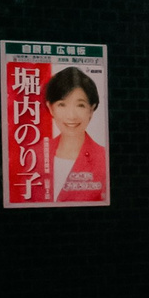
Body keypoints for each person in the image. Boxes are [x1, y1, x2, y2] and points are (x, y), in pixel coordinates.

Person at [39, 67, 108, 205]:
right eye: (62, 104)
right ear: (51, 108)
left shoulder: (104, 159)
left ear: (92, 108)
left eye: (80, 105)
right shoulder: (34, 155)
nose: (71, 116)